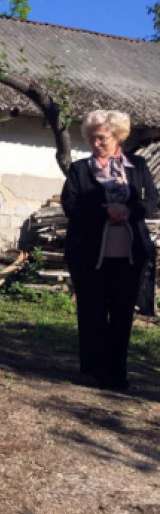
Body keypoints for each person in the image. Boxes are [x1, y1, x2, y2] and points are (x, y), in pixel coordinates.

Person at [61, 110, 158, 390]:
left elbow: (152, 198)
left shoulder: (137, 166)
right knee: (91, 310)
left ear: (117, 136)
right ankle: (93, 371)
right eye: (91, 139)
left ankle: (117, 373)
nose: (96, 144)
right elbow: (71, 205)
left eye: (101, 138)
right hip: (89, 253)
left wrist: (128, 210)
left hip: (129, 253)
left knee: (122, 313)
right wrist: (107, 212)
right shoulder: (80, 170)